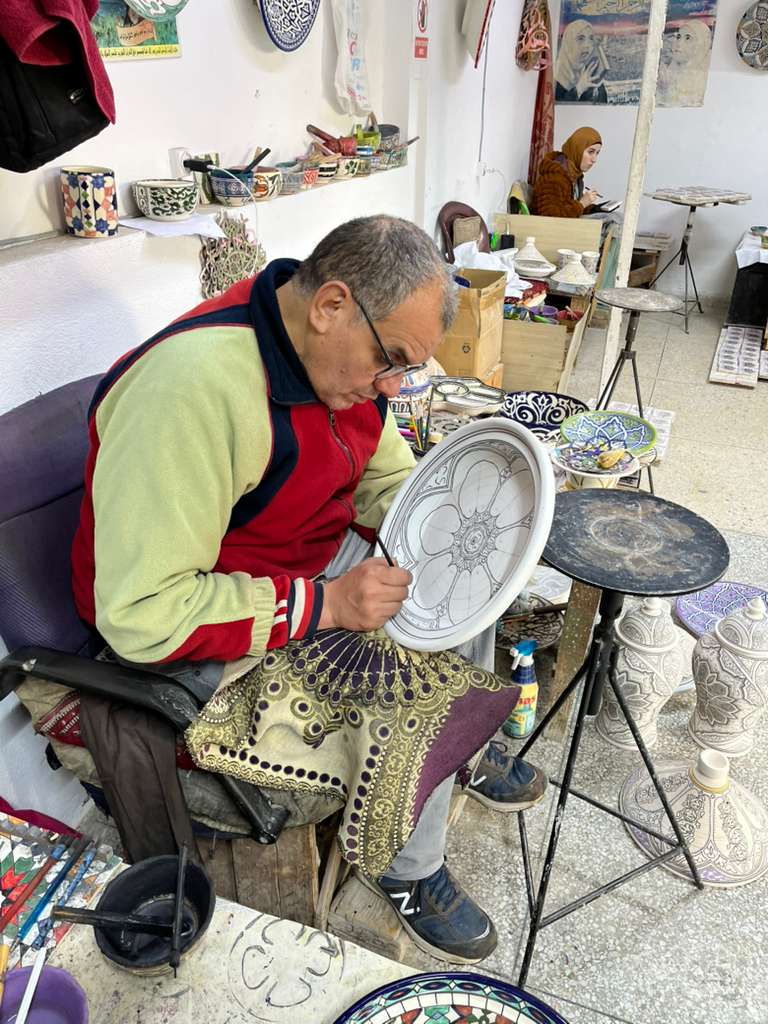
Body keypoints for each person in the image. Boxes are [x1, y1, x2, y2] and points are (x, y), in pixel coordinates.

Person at [65, 215, 548, 965]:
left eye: (405, 369)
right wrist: (327, 605)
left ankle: (462, 752)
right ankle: (408, 867)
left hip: (303, 560)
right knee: (412, 677)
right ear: (330, 304)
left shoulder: (343, 363)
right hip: (194, 614)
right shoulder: (192, 391)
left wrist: (459, 526)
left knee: (459, 587)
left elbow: (387, 480)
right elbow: (142, 614)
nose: (392, 387)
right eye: (390, 361)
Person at [531, 126, 602, 219]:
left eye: (597, 153)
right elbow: (550, 218)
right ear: (577, 149)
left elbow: (568, 205)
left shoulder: (574, 176)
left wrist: (594, 208)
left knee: (611, 216)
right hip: (546, 227)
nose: (594, 159)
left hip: (567, 226)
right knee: (610, 221)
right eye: (591, 152)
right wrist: (582, 203)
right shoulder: (553, 178)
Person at [657, 21, 711, 107]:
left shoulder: (702, 81)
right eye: (678, 37)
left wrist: (665, 89)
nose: (678, 43)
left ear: (701, 45)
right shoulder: (670, 71)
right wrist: (663, 86)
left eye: (688, 38)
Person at [555, 20, 608, 104]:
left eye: (591, 38)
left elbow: (602, 107)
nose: (587, 45)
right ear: (568, 44)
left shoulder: (590, 75)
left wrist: (595, 91)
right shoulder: (555, 77)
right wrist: (578, 89)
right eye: (580, 39)